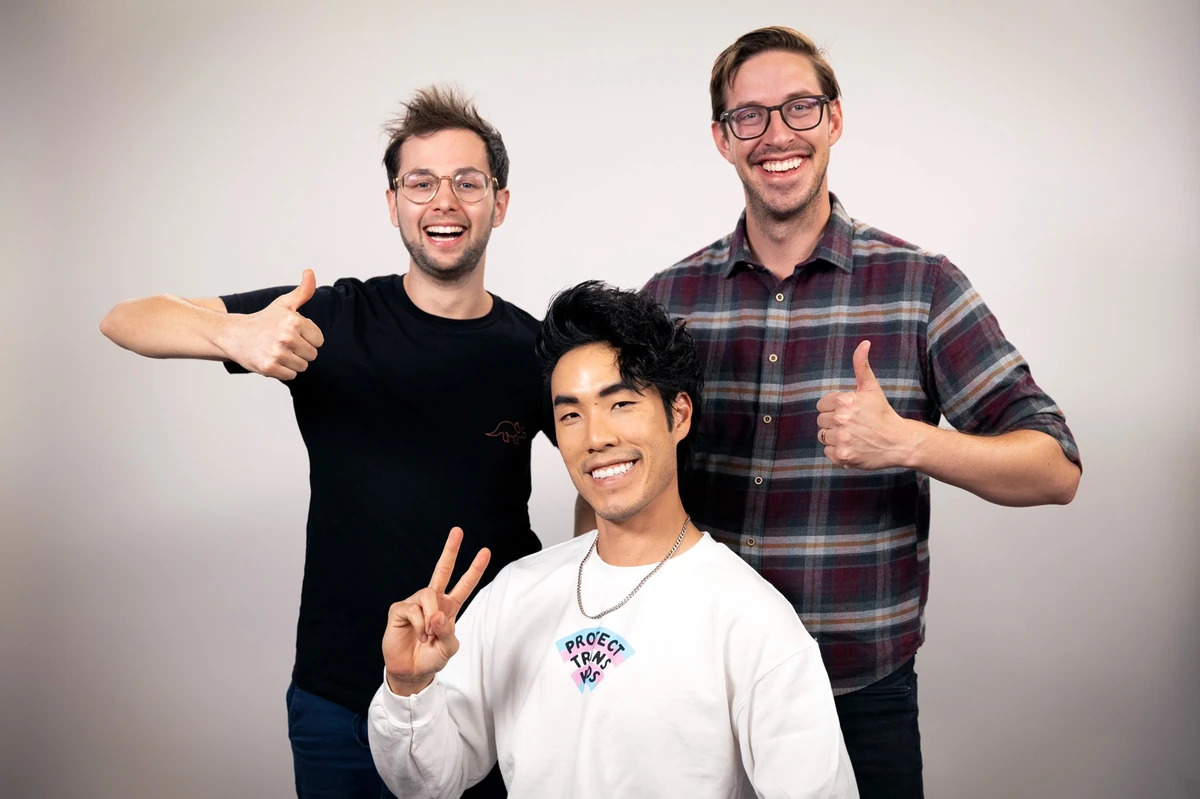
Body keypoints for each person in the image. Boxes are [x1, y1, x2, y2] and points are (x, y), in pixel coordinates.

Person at [577, 26, 1083, 799]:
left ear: (834, 119)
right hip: (692, 691)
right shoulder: (668, 300)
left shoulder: (921, 286)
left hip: (858, 701)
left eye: (800, 107)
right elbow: (608, 480)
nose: (777, 133)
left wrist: (909, 442)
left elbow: (1055, 467)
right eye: (749, 115)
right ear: (722, 138)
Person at [99, 86, 546, 798]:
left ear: (501, 202)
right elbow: (126, 318)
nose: (445, 202)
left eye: (468, 182)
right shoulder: (330, 318)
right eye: (421, 183)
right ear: (393, 203)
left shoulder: (536, 351)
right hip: (342, 701)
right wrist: (236, 334)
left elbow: (603, 474)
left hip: (486, 696)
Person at [368, 281, 859, 798]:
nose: (596, 437)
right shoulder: (516, 592)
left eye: (620, 403)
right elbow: (426, 785)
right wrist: (409, 687)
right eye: (571, 414)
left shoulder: (752, 619)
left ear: (679, 414)